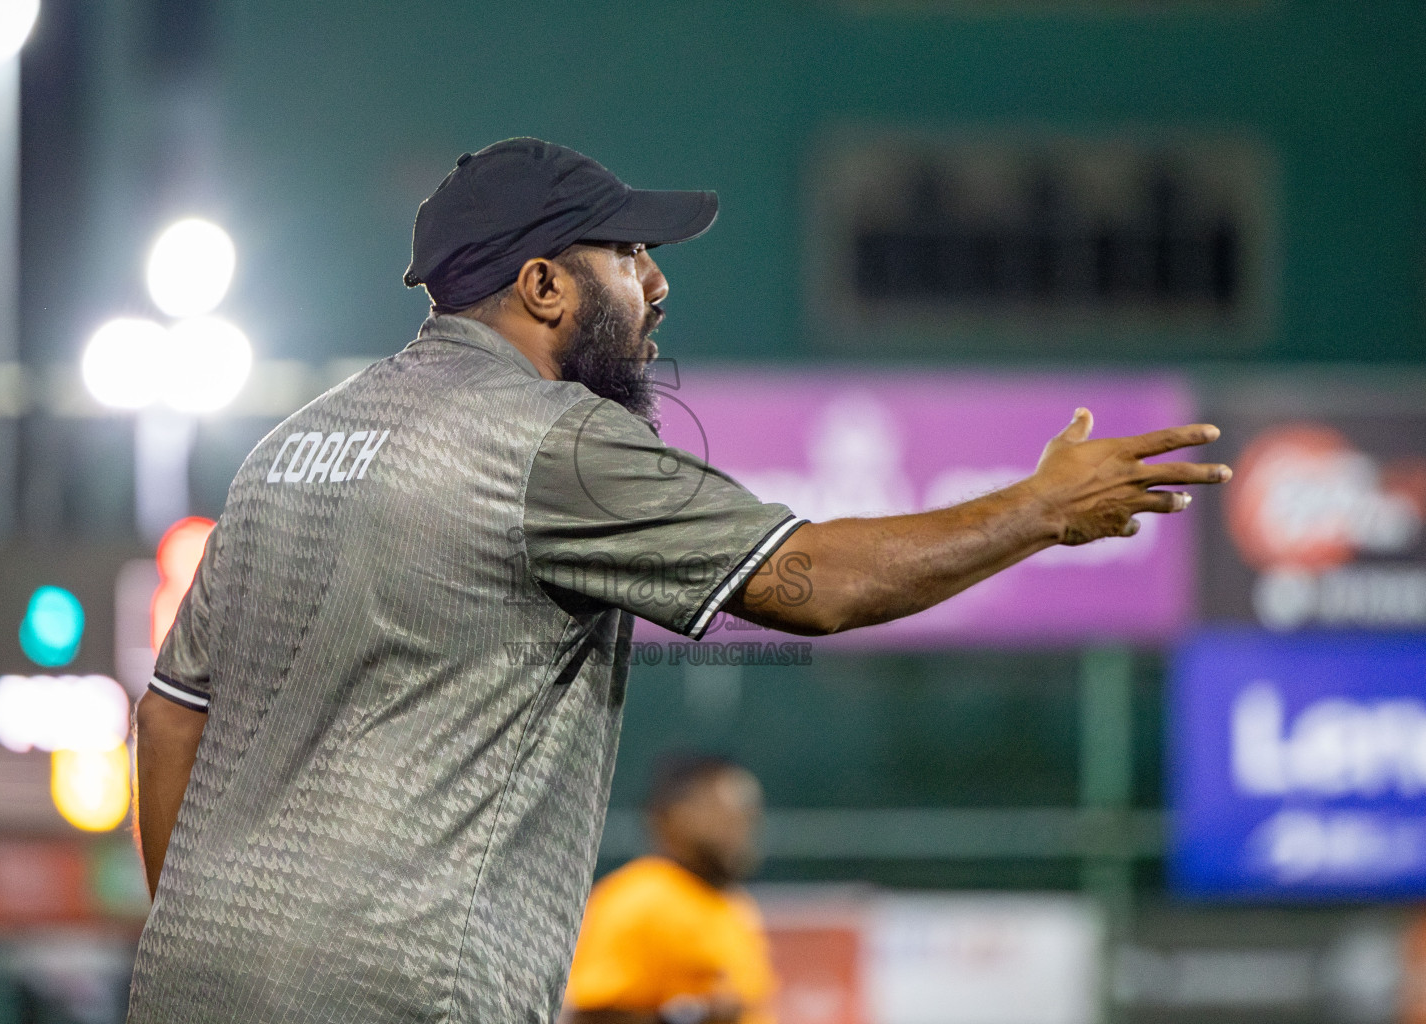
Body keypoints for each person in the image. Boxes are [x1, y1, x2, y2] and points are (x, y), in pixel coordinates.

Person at [129, 137, 1231, 1024]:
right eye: (630, 255)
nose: (657, 281)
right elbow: (810, 580)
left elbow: (173, 715)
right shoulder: (553, 445)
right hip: (403, 990)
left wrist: (221, 937)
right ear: (545, 284)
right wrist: (1036, 508)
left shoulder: (285, 448)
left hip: (187, 983)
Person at [564, 756, 774, 1024]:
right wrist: (692, 1015)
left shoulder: (734, 903)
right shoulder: (638, 898)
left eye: (745, 817)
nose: (738, 828)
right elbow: (590, 1016)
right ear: (670, 817)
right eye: (719, 812)